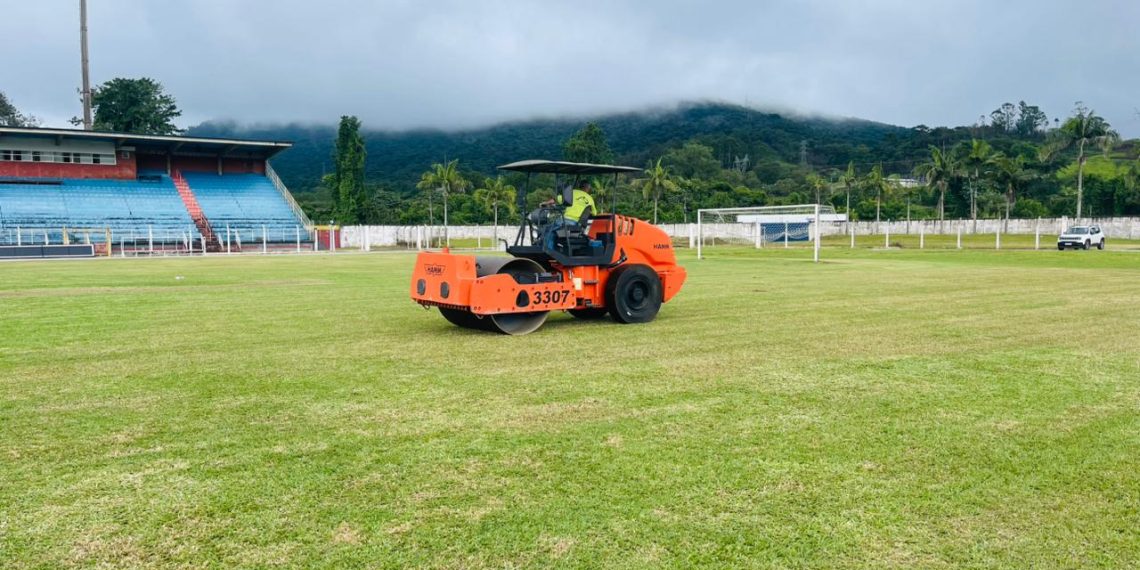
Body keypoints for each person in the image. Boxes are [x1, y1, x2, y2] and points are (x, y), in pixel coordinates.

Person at [543, 179, 597, 251]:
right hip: (577, 224)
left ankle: (548, 251)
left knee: (548, 230)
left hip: (566, 221)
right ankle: (554, 249)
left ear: (579, 186)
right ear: (587, 188)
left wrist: (544, 203)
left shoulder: (573, 192)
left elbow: (556, 199)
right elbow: (594, 213)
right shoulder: (590, 199)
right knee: (554, 230)